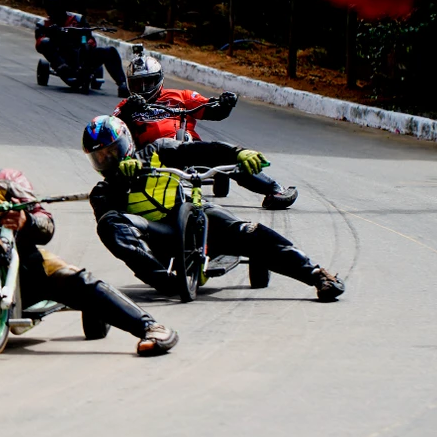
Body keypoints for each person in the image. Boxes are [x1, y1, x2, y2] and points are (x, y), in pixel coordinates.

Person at [0, 114, 178, 357]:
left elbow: (46, 225)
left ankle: (150, 327)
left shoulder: (8, 179)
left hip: (24, 265)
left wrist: (25, 221)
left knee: (76, 280)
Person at [81, 115, 345, 301]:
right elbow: (112, 226)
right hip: (158, 237)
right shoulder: (102, 193)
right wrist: (122, 180)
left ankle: (317, 274)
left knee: (249, 232)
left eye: (112, 152)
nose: (107, 160)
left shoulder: (158, 150)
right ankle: (163, 281)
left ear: (126, 144)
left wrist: (237, 153)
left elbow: (201, 151)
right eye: (100, 157)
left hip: (192, 214)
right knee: (108, 223)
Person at [114, 49, 299, 210]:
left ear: (159, 79)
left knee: (226, 155)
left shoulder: (180, 96)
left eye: (148, 81)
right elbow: (113, 129)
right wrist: (129, 109)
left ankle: (274, 190)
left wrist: (224, 104)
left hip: (187, 146)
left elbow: (211, 109)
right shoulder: (127, 105)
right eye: (138, 84)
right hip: (151, 155)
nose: (144, 88)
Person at [35, 0, 129, 96]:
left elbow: (89, 37)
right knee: (45, 42)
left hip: (82, 56)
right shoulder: (43, 24)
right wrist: (52, 35)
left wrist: (87, 43)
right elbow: (40, 44)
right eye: (52, 5)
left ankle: (122, 84)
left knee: (109, 51)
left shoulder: (78, 19)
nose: (55, 8)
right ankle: (63, 67)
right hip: (61, 58)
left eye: (57, 4)